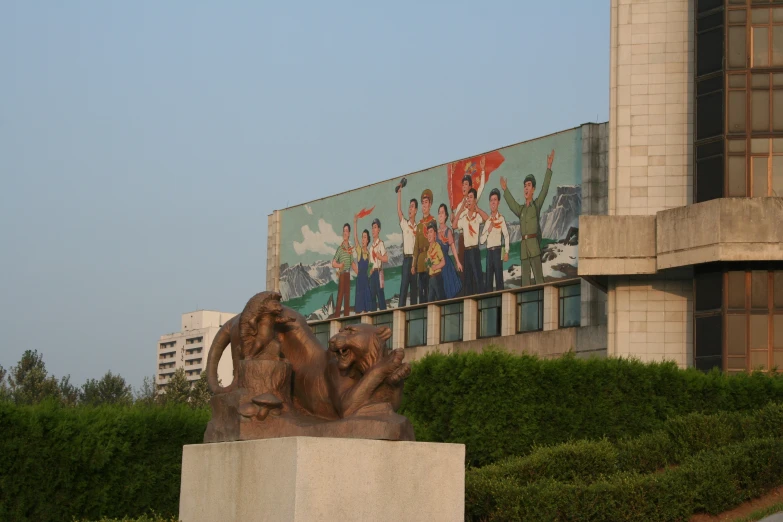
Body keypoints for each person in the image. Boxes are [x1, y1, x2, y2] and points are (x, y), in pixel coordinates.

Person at [500, 149, 555, 287]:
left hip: (534, 246)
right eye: (524, 186)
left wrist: (548, 168)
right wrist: (505, 190)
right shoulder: (522, 209)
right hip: (524, 248)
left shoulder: (536, 205)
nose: (526, 188)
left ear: (533, 189)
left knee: (539, 279)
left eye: (529, 185)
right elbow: (512, 204)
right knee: (525, 282)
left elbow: (545, 190)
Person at [451, 158, 486, 288]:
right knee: (464, 272)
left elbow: (481, 186)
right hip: (462, 239)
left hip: (472, 240)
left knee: (476, 273)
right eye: (463, 184)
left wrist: (482, 170)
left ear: (470, 187)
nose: (464, 187)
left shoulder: (472, 199)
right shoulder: (461, 204)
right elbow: (454, 225)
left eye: (466, 184)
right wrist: (456, 213)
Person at [455, 188, 489, 296]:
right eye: (467, 198)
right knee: (467, 279)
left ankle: (482, 298)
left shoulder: (477, 216)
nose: (468, 200)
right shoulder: (464, 218)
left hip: (474, 250)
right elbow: (454, 225)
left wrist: (477, 209)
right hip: (466, 251)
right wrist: (460, 211)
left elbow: (487, 219)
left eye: (470, 198)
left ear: (474, 199)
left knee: (478, 277)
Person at [480, 188, 510, 292]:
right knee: (488, 281)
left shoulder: (501, 219)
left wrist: (506, 252)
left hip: (498, 251)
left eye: (495, 200)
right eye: (491, 200)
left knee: (499, 279)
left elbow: (506, 236)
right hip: (489, 252)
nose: (493, 202)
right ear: (489, 203)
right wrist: (488, 230)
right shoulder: (488, 221)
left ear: (498, 202)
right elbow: (481, 240)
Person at [396, 180, 418, 307]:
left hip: (414, 261)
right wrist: (399, 193)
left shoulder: (418, 227)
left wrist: (415, 264)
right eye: (409, 206)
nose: (410, 209)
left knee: (414, 290)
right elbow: (399, 211)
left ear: (416, 210)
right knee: (403, 289)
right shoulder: (405, 225)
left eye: (412, 207)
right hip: (406, 260)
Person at [412, 189, 435, 304]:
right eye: (423, 203)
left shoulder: (433, 222)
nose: (424, 205)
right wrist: (413, 265)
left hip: (429, 259)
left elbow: (435, 243)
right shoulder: (419, 225)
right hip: (420, 261)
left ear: (430, 204)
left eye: (426, 202)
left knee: (430, 289)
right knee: (421, 290)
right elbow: (416, 247)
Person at [436, 203, 463, 299]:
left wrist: (458, 262)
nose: (440, 215)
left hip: (446, 265)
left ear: (446, 216)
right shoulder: (435, 232)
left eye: (442, 213)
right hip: (437, 265)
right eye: (439, 213)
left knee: (449, 291)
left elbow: (453, 248)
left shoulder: (448, 231)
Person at [331, 223, 354, 318]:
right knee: (340, 296)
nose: (345, 233)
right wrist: (340, 265)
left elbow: (352, 263)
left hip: (348, 274)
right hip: (342, 274)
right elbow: (333, 263)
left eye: (346, 231)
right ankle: (336, 317)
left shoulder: (350, 249)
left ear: (349, 233)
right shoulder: (340, 249)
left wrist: (360, 272)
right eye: (344, 231)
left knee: (347, 296)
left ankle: (346, 317)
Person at [351, 216, 372, 314]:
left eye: (364, 237)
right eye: (362, 237)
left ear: (367, 240)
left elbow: (371, 267)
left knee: (367, 308)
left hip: (366, 281)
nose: (362, 239)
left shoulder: (369, 253)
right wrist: (355, 223)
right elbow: (355, 238)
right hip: (360, 280)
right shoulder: (359, 251)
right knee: (359, 307)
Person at [368, 218, 388, 311]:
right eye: (372, 228)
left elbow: (386, 258)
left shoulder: (380, 244)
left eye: (375, 227)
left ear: (379, 229)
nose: (373, 230)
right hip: (373, 273)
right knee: (372, 295)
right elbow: (370, 263)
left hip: (379, 272)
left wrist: (379, 256)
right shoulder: (371, 247)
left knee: (380, 294)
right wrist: (369, 272)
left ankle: (383, 313)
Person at [425, 221, 446, 302]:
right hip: (431, 279)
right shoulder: (428, 250)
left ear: (435, 234)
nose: (429, 235)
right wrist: (427, 263)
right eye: (427, 233)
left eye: (431, 232)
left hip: (437, 277)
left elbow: (443, 262)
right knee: (430, 302)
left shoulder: (437, 246)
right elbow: (429, 267)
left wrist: (436, 266)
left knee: (441, 300)